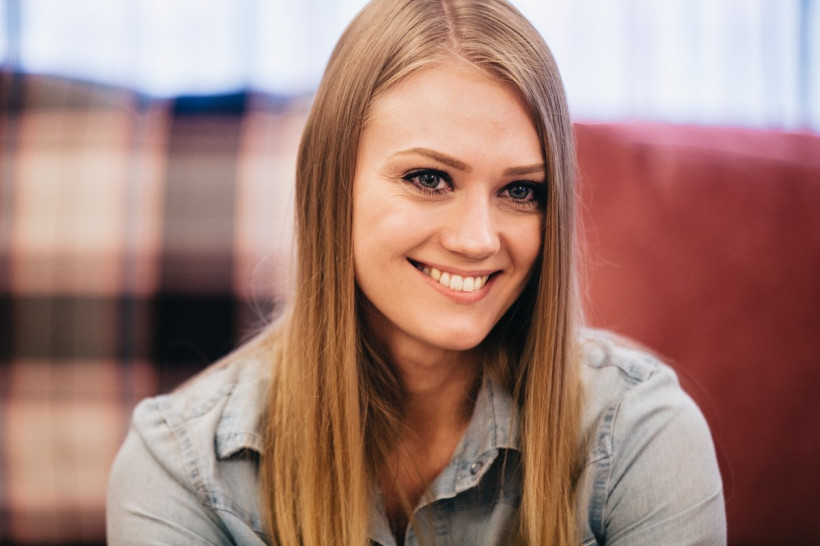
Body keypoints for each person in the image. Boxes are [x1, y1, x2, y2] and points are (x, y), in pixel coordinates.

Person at [106, 0, 726, 544]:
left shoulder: (641, 437)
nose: (478, 240)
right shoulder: (182, 470)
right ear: (330, 183)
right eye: (429, 179)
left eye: (520, 191)